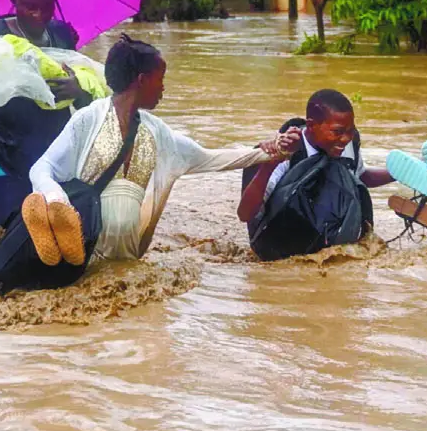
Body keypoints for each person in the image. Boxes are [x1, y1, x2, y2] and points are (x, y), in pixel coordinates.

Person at [23, 35, 300, 266]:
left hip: (128, 256)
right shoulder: (88, 119)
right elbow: (42, 168)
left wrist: (272, 150)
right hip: (84, 249)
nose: (163, 87)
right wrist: (54, 197)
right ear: (142, 80)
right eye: (161, 78)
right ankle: (57, 230)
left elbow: (210, 158)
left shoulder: (158, 133)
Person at [0, 0, 104, 228]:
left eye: (48, 6)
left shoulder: (62, 34)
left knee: (68, 226)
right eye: (30, 6)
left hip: (57, 144)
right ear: (14, 0)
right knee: (13, 229)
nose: (39, 15)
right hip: (9, 147)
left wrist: (77, 87)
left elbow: (87, 92)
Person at [238, 89, 393, 261]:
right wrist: (270, 164)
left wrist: (397, 174)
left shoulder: (347, 143)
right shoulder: (287, 149)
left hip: (326, 238)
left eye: (351, 130)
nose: (345, 138)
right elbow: (246, 214)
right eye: (338, 131)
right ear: (311, 126)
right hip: (280, 243)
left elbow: (359, 176)